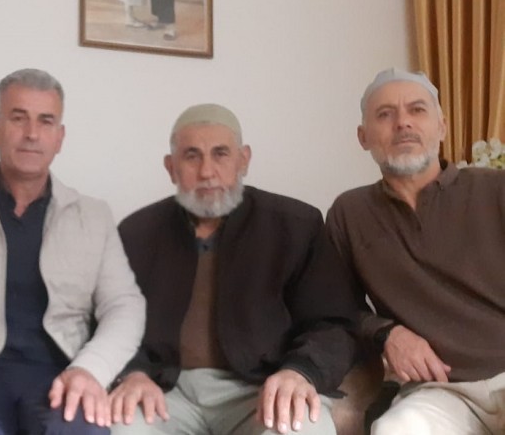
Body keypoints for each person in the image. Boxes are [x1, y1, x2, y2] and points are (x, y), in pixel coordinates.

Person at [110, 104, 360, 435]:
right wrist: (132, 373)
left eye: (221, 154)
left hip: (262, 387)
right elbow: (112, 320)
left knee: (303, 430)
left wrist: (300, 372)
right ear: (171, 167)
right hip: (165, 389)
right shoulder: (136, 233)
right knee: (116, 427)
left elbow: (333, 323)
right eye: (191, 156)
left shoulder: (297, 226)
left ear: (243, 160)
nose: (207, 171)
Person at [0, 68, 146, 435]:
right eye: (18, 118)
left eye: (46, 121)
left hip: (63, 371)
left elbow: (124, 305)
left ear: (60, 137)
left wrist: (91, 369)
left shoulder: (93, 216)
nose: (31, 133)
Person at [326, 68, 505, 434]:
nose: (403, 122)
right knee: (395, 429)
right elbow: (335, 308)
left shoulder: (495, 190)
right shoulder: (350, 212)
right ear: (363, 137)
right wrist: (387, 333)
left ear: (442, 127)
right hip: (439, 391)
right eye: (385, 114)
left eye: (417, 110)